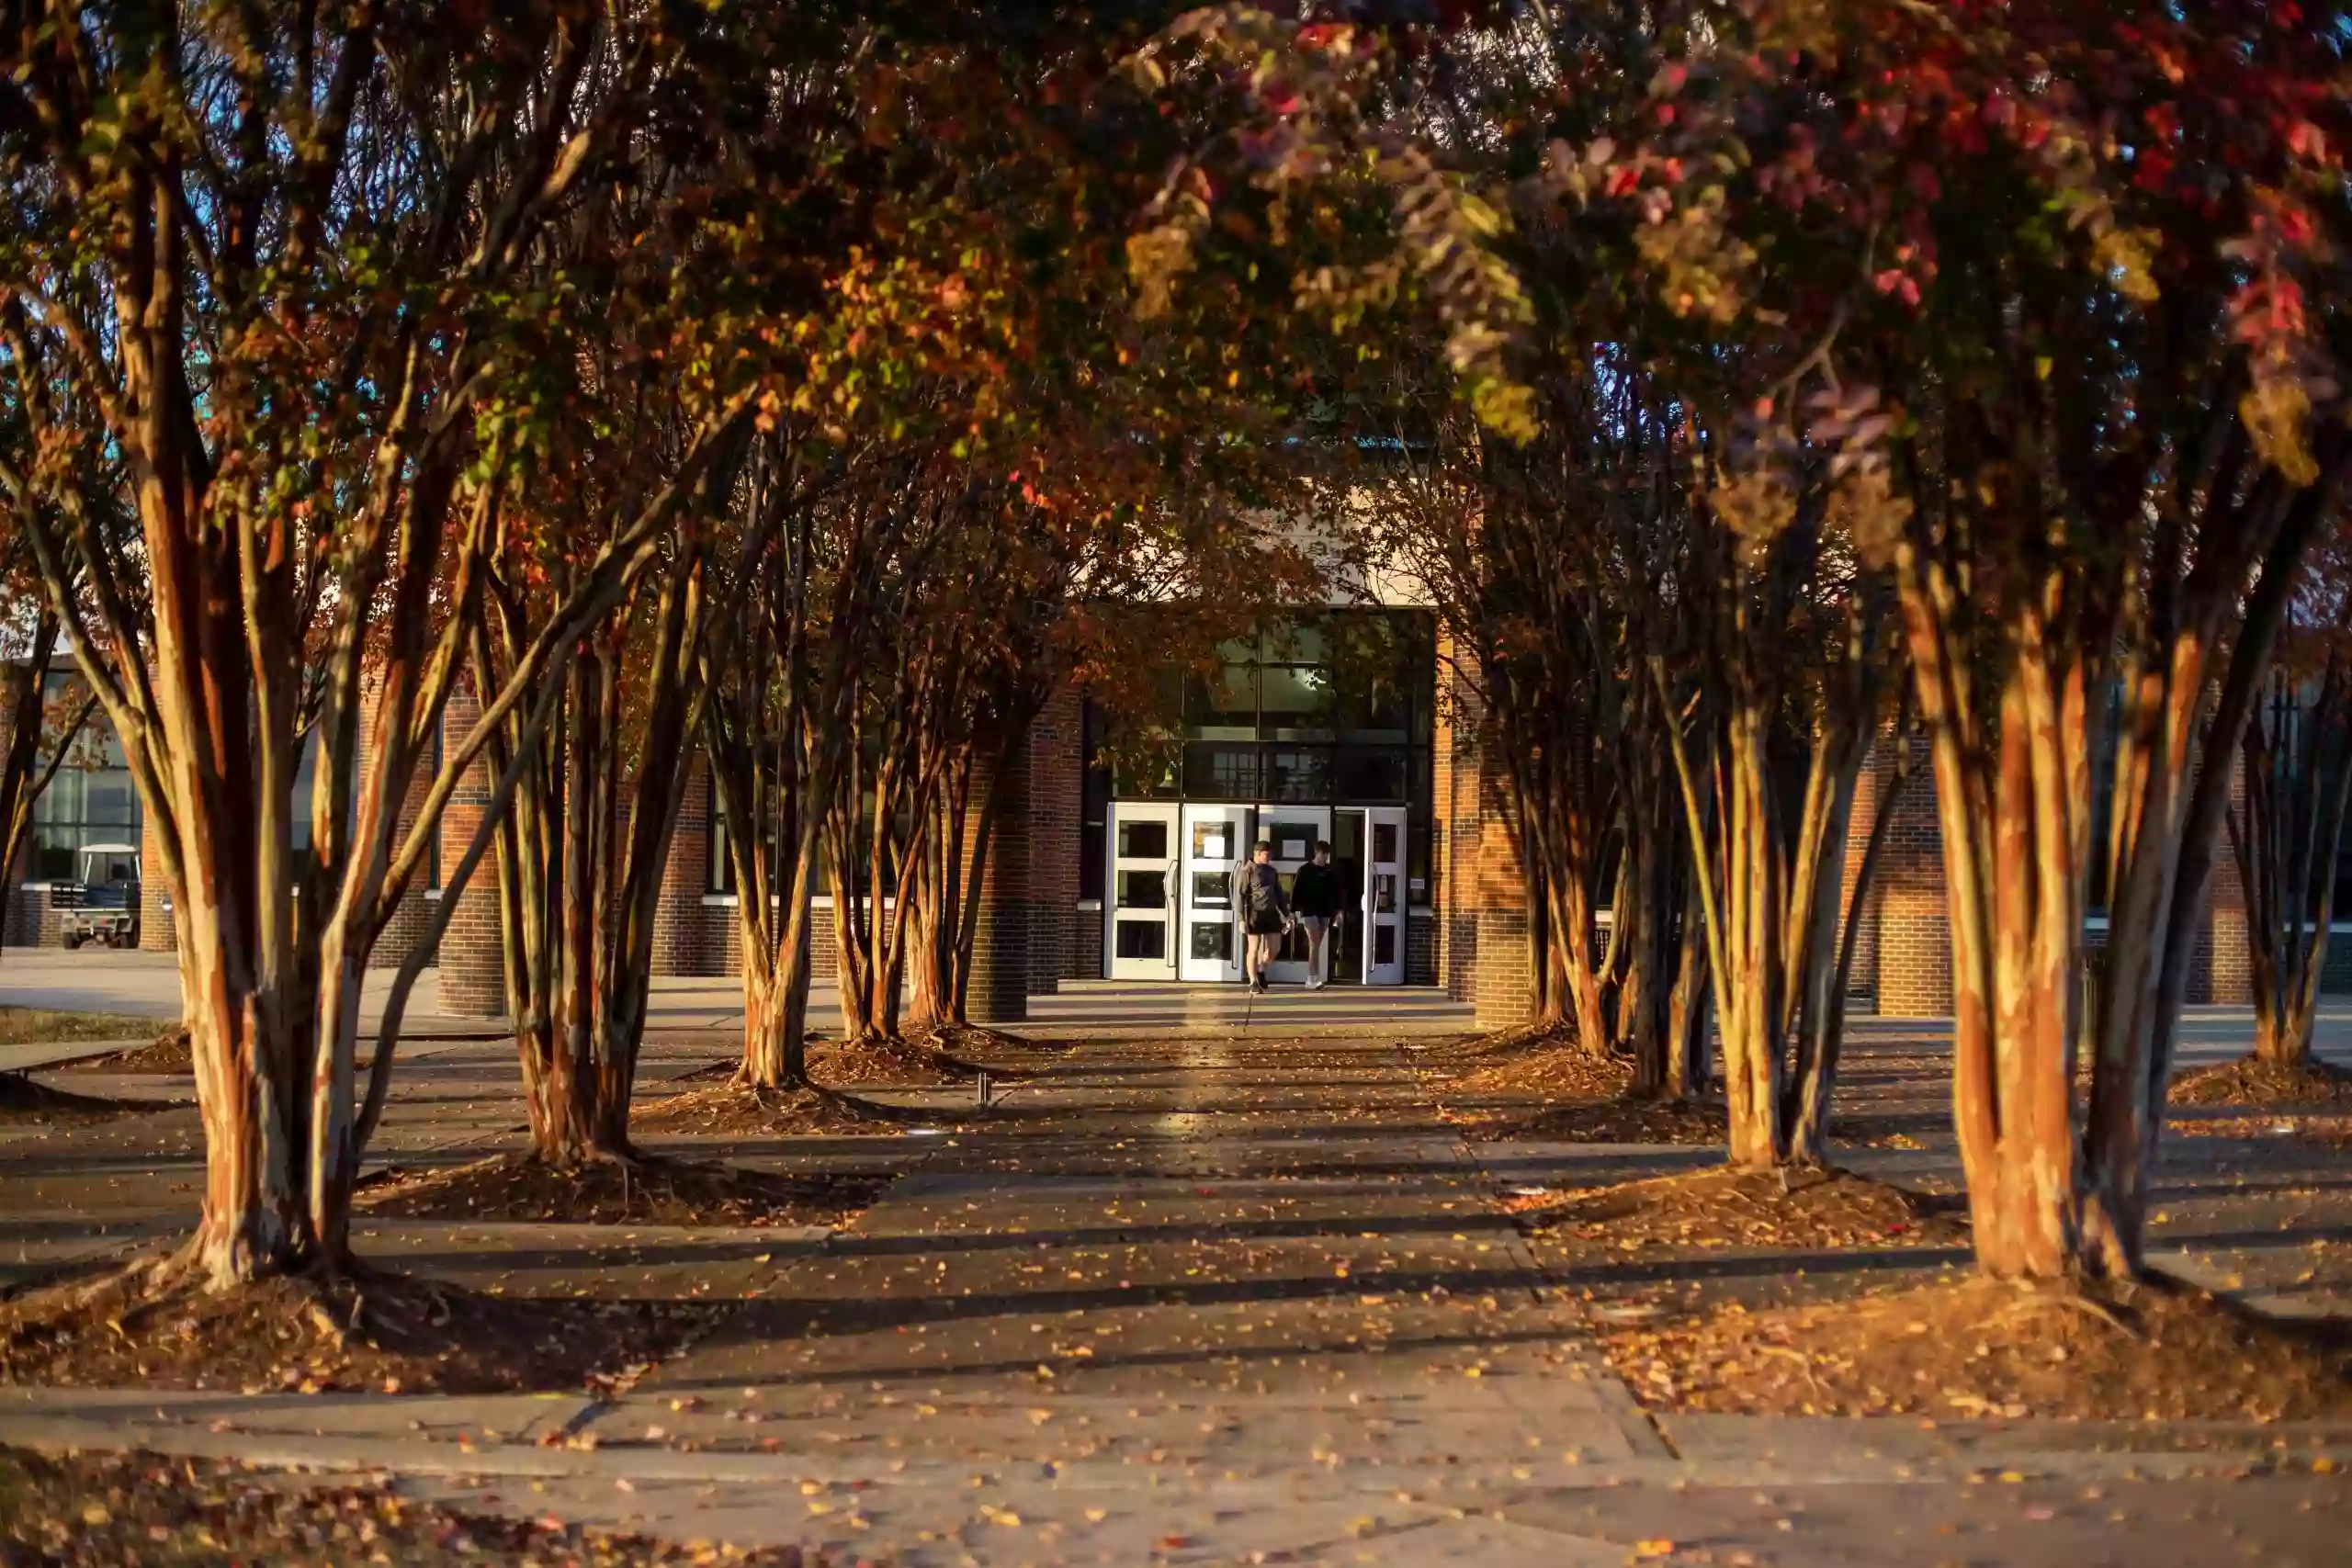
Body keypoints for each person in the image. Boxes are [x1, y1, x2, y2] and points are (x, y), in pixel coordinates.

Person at [1232, 839, 1292, 994]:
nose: (1269, 857)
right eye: (1267, 854)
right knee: (1254, 946)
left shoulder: (1271, 871)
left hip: (1271, 913)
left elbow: (1278, 894)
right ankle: (1253, 982)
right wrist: (1241, 919)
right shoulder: (1247, 871)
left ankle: (1261, 970)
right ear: (1258, 854)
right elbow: (1239, 896)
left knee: (1275, 947)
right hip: (1254, 913)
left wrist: (1287, 914)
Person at [1289, 840, 1340, 989]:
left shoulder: (1329, 871)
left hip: (1325, 912)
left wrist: (1338, 910)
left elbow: (1336, 892)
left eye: (1327, 855)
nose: (1325, 857)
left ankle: (1313, 978)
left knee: (1316, 944)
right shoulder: (1305, 870)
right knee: (1314, 943)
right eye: (1323, 854)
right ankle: (1312, 978)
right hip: (1309, 911)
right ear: (1317, 853)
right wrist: (1292, 911)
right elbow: (1296, 891)